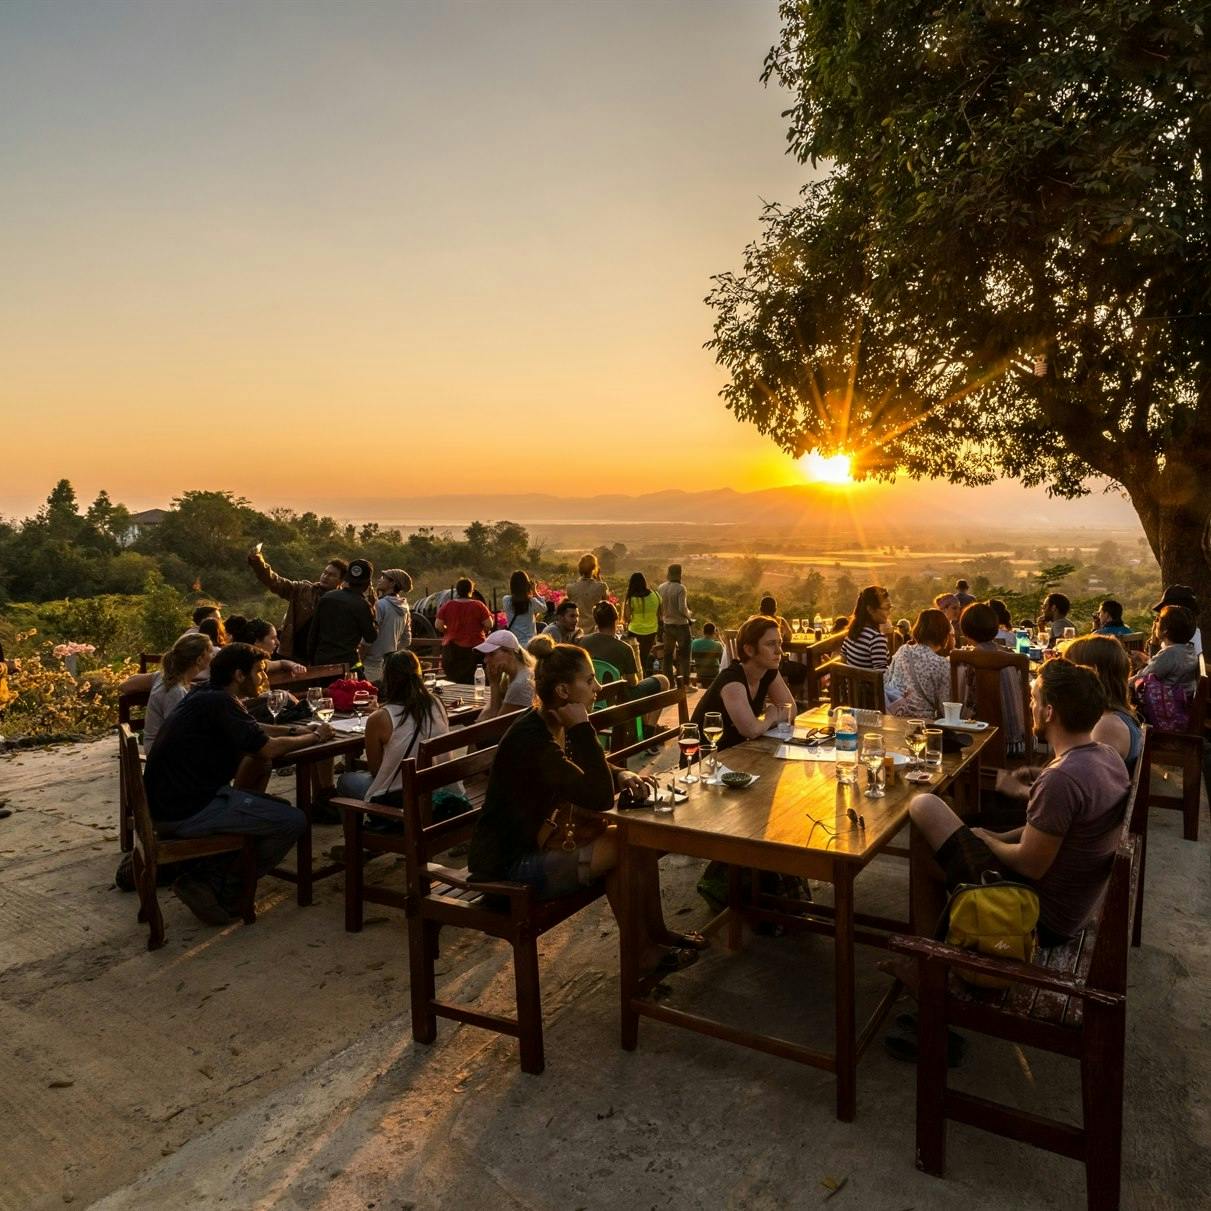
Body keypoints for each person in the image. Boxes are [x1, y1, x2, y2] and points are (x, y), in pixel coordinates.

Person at [467, 642, 703, 970]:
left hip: (539, 844)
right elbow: (598, 797)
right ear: (564, 690)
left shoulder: (548, 722)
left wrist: (620, 774)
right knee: (629, 842)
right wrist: (582, 728)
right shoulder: (533, 739)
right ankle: (643, 951)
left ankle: (655, 935)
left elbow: (585, 771)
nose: (598, 687)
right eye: (590, 680)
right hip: (508, 869)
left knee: (637, 839)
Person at [909, 659, 1130, 947]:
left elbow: (1030, 864)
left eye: (1033, 699)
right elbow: (1047, 833)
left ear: (1049, 712)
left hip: (1036, 914)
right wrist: (995, 836)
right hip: (1068, 903)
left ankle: (930, 964)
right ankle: (932, 958)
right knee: (931, 839)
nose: (1030, 706)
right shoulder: (1106, 756)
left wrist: (989, 843)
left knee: (924, 804)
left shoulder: (1061, 779)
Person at [143, 643, 334, 926]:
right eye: (259, 672)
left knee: (275, 808)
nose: (264, 679)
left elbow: (252, 729)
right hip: (187, 809)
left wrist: (297, 729)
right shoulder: (218, 701)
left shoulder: (207, 694)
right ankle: (220, 884)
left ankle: (211, 875)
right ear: (239, 675)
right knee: (292, 820)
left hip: (172, 801)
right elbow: (267, 748)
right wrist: (316, 737)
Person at [334, 650, 452, 805]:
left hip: (401, 799)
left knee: (345, 780)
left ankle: (365, 824)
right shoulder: (436, 703)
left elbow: (376, 770)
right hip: (436, 789)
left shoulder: (379, 719)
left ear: (387, 679)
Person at [690, 615, 795, 749]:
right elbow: (751, 731)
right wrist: (770, 716)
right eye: (770, 644)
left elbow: (791, 710)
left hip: (738, 752)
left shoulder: (768, 670)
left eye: (779, 643)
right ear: (749, 650)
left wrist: (763, 722)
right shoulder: (732, 681)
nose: (779, 651)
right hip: (705, 758)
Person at [579, 602, 668, 729]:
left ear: (596, 621)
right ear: (616, 621)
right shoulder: (624, 648)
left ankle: (643, 727)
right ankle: (649, 729)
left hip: (590, 692)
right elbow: (632, 682)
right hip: (617, 698)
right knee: (663, 681)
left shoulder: (582, 641)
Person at [247, 548, 347, 660]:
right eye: (325, 572)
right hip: (290, 651)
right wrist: (258, 563)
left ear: (341, 580)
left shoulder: (342, 602)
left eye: (332, 575)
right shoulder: (303, 589)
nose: (325, 576)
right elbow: (276, 582)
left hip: (319, 657)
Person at [1064, 635, 1142, 771]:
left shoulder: (1107, 727)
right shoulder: (1112, 717)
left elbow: (1087, 783)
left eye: (1070, 670)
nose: (1065, 679)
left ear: (1093, 674)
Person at [957, 602, 1026, 754]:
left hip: (987, 744)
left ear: (965, 630)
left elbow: (966, 703)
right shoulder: (1011, 657)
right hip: (1019, 744)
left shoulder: (969, 660)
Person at [143, 633, 214, 750]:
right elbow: (179, 733)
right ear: (199, 659)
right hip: (162, 754)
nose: (212, 656)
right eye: (210, 652)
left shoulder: (167, 678)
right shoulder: (174, 691)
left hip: (163, 748)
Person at [307, 558, 378, 668]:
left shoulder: (327, 597)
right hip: (347, 664)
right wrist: (372, 608)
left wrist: (312, 660)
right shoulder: (363, 605)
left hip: (321, 661)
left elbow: (313, 633)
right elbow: (371, 637)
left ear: (346, 579)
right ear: (368, 584)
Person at [884, 608, 953, 720]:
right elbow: (945, 708)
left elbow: (887, 679)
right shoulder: (942, 664)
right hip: (922, 724)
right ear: (944, 634)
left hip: (893, 716)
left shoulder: (903, 650)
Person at [1134, 604, 1199, 702]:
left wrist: (1122, 683)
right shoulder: (1188, 649)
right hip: (1181, 704)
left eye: (1158, 619)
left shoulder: (1170, 653)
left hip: (1165, 707)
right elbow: (1160, 667)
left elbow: (1142, 678)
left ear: (1165, 631)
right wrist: (1148, 659)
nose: (1155, 623)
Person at [435, 577, 492, 683]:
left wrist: (447, 631)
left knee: (454, 680)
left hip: (452, 650)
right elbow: (489, 624)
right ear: (471, 590)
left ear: (458, 590)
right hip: (475, 650)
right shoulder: (479, 606)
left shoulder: (448, 605)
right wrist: (482, 631)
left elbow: (438, 625)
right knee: (475, 680)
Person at [362, 568, 413, 682]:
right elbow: (406, 640)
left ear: (393, 583)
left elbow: (369, 637)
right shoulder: (405, 607)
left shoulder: (380, 605)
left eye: (383, 577)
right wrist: (390, 652)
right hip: (389, 666)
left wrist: (359, 660)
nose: (379, 579)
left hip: (371, 665)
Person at [476, 629, 537, 720]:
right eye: (485, 655)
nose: (485, 660)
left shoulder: (520, 684)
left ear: (509, 652)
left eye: (491, 654)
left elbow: (494, 723)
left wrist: (494, 684)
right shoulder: (516, 675)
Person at [758, 594, 808, 698]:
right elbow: (789, 637)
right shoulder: (779, 621)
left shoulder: (752, 621)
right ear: (775, 609)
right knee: (801, 669)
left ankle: (780, 697)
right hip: (775, 665)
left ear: (760, 609)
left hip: (756, 663)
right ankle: (789, 697)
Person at [657, 564, 694, 688]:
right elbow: (682, 608)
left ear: (668, 573)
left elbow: (660, 608)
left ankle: (668, 684)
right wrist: (690, 617)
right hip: (681, 625)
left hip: (667, 625)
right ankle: (685, 684)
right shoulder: (681, 588)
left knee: (667, 656)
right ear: (679, 574)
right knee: (685, 656)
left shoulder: (661, 588)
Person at [841, 586, 892, 670]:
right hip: (871, 683)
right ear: (871, 609)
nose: (889, 612)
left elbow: (843, 658)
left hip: (853, 682)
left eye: (890, 607)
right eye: (886, 608)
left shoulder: (852, 631)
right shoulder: (876, 639)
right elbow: (881, 676)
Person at [622, 572, 662, 676]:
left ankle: (636, 680)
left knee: (634, 659)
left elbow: (626, 617)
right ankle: (643, 678)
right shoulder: (656, 595)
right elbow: (660, 613)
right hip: (651, 631)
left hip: (635, 631)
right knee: (644, 657)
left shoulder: (632, 599)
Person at [1151, 585, 1203, 656]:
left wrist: (1154, 642)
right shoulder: (1193, 632)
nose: (1160, 614)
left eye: (1165, 611)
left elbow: (1161, 663)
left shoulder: (1180, 636)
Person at [501, 570, 547, 645]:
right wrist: (534, 590)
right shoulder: (531, 602)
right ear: (527, 585)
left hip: (514, 643)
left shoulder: (506, 600)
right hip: (529, 643)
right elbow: (544, 608)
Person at [564, 553, 610, 618]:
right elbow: (607, 604)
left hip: (576, 625)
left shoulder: (570, 588)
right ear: (594, 567)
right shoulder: (601, 587)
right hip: (596, 625)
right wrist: (598, 577)